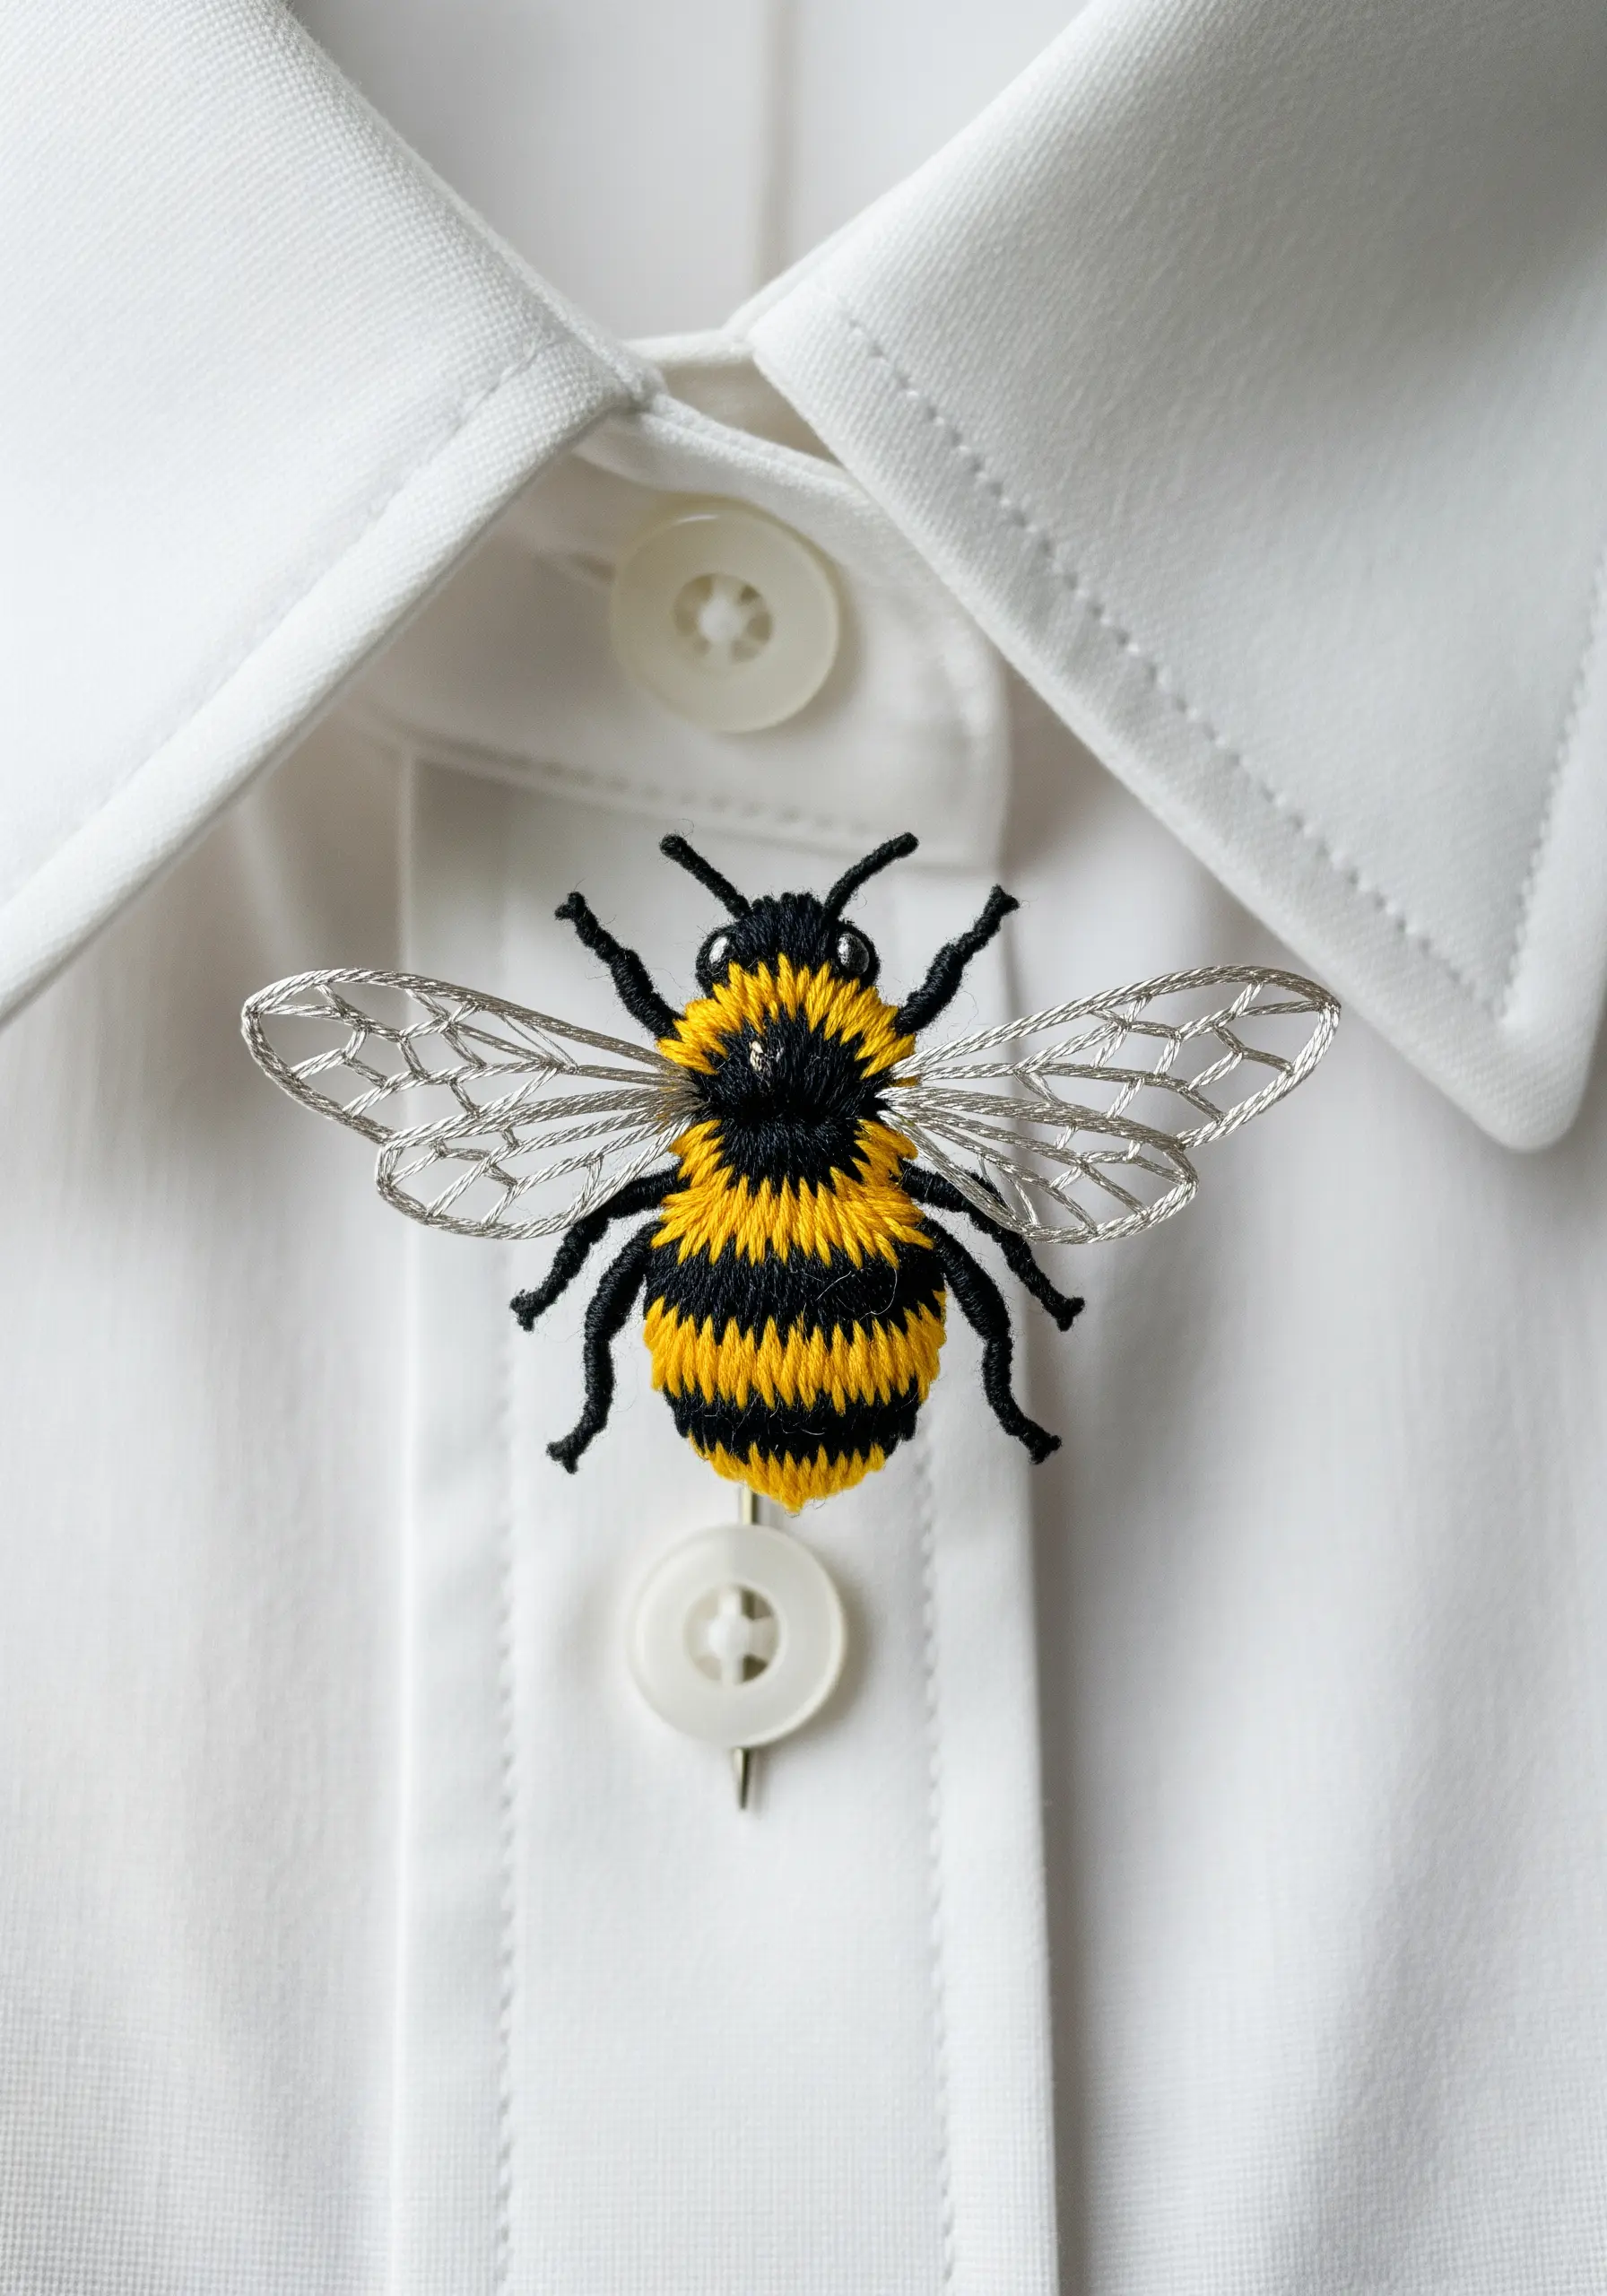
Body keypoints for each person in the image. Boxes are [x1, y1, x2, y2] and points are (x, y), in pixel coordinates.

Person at [5, 0, 1606, 2286]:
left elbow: (588, 1199)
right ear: (847, 1039)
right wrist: (1019, 1305)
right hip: (848, 1321)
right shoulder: (924, 1099)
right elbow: (987, 1195)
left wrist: (606, 1290)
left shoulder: (640, 1096)